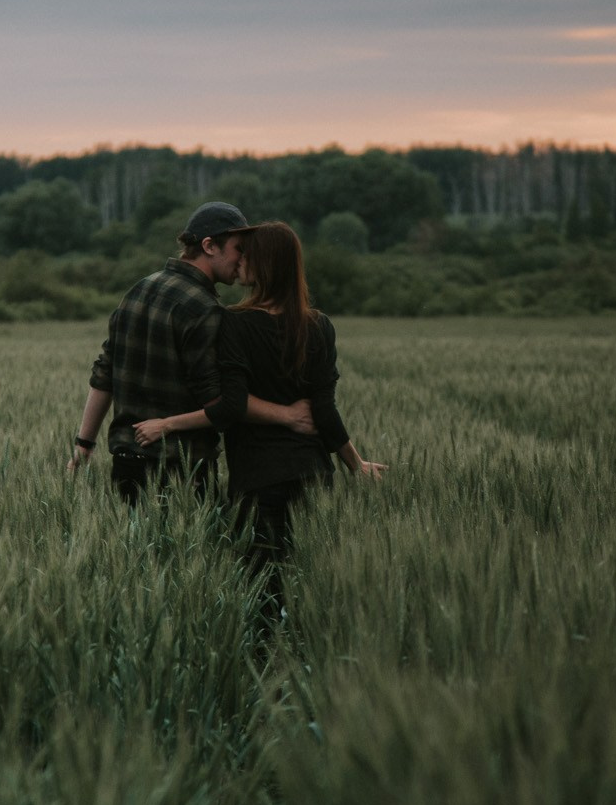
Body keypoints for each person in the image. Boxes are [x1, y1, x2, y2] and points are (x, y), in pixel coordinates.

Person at [133, 221, 384, 620]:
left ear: (266, 264)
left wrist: (167, 424)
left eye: (248, 254)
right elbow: (324, 410)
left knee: (263, 593)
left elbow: (230, 406)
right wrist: (357, 464)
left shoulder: (236, 323)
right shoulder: (318, 325)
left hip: (258, 482)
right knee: (310, 585)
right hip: (314, 475)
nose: (240, 261)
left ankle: (268, 668)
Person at [69, 202, 313, 504]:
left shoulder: (137, 290)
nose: (243, 261)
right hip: (180, 472)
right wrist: (288, 416)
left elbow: (103, 375)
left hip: (126, 465)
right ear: (210, 246)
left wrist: (84, 443)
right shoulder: (204, 309)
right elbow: (221, 402)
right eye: (239, 249)